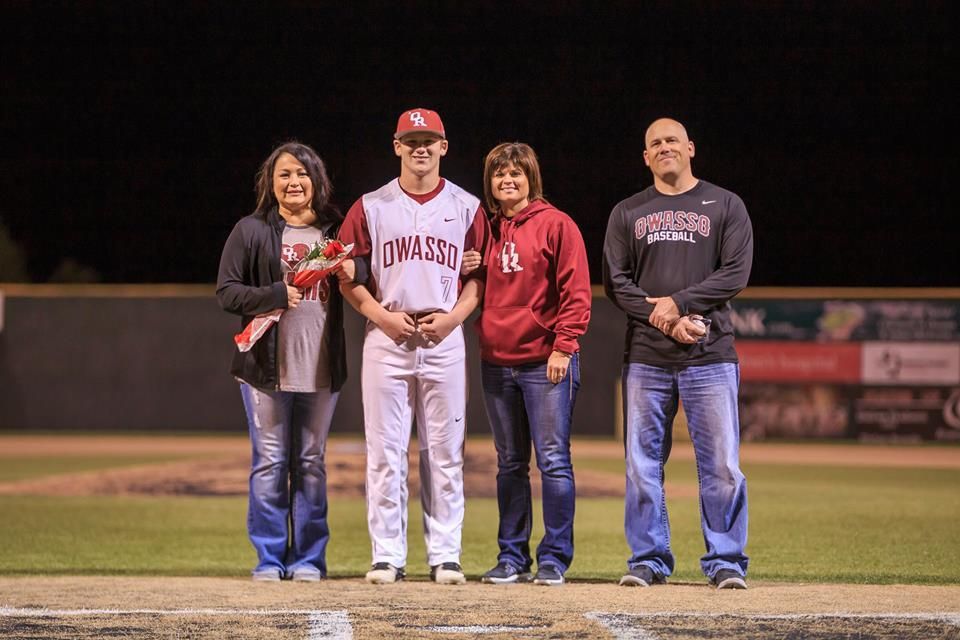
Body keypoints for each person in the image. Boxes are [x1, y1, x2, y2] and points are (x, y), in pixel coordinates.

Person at [338, 108, 490, 585]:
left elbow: (480, 278)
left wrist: (455, 319)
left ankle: (445, 555)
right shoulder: (371, 205)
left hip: (444, 337)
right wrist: (381, 316)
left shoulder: (467, 206)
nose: (420, 147)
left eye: (429, 140)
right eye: (411, 140)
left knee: (445, 452)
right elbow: (347, 275)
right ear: (396, 145)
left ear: (444, 147)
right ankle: (387, 555)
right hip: (387, 335)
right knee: (384, 451)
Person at [602, 118, 754, 590]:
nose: (664, 147)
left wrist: (681, 304)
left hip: (710, 354)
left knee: (722, 464)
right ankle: (648, 558)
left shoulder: (726, 204)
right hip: (647, 355)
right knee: (642, 463)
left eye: (672, 140)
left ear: (690, 147)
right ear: (645, 157)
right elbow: (616, 284)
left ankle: (726, 560)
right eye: (654, 144)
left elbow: (735, 273)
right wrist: (665, 318)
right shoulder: (627, 211)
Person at [216, 141, 358, 582]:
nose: (294, 182)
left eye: (302, 173)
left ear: (317, 179)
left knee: (311, 463)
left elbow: (367, 273)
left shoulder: (336, 231)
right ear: (271, 183)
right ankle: (270, 558)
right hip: (264, 369)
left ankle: (309, 559)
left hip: (319, 368)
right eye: (284, 174)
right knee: (270, 462)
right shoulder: (251, 230)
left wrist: (360, 272)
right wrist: (275, 294)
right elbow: (227, 291)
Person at [463, 143, 591, 587]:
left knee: (553, 461)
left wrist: (564, 346)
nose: (507, 181)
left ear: (531, 178)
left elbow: (576, 292)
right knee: (510, 464)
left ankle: (554, 558)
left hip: (545, 361)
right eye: (499, 174)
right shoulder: (485, 231)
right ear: (491, 182)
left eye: (516, 173)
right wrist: (468, 268)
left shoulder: (557, 224)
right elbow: (469, 287)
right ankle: (512, 557)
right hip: (497, 362)